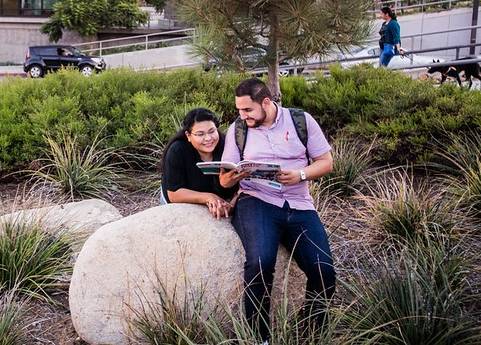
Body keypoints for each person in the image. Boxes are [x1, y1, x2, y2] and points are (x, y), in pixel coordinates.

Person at [219, 78, 336, 343]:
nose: (242, 115)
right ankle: (260, 338)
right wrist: (233, 176)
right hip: (257, 200)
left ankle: (310, 332)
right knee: (260, 263)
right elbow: (224, 179)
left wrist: (301, 174)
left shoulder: (301, 121)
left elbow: (326, 162)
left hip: (299, 204)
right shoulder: (238, 129)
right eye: (239, 110)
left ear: (267, 103)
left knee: (324, 271)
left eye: (248, 110)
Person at [160, 108, 237, 219]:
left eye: (212, 131)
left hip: (220, 199)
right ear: (188, 135)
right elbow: (174, 194)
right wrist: (208, 197)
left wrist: (232, 204)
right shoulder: (177, 150)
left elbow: (240, 186)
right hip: (184, 199)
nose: (208, 138)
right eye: (200, 134)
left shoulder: (226, 145)